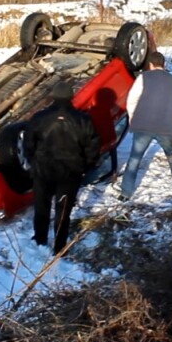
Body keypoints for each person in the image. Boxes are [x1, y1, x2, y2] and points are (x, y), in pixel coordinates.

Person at [23, 81, 101, 254]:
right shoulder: (83, 119)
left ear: (53, 96)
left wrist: (33, 161)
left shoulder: (39, 117)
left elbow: (28, 144)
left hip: (43, 170)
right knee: (63, 210)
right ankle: (59, 246)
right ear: (71, 97)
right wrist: (85, 166)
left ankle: (40, 240)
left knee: (41, 206)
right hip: (70, 172)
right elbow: (93, 146)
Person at [118, 51, 172, 201]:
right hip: (166, 127)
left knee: (135, 158)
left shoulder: (143, 77)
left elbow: (132, 99)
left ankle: (125, 193)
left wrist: (133, 118)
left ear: (150, 65)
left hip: (144, 124)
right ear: (164, 64)